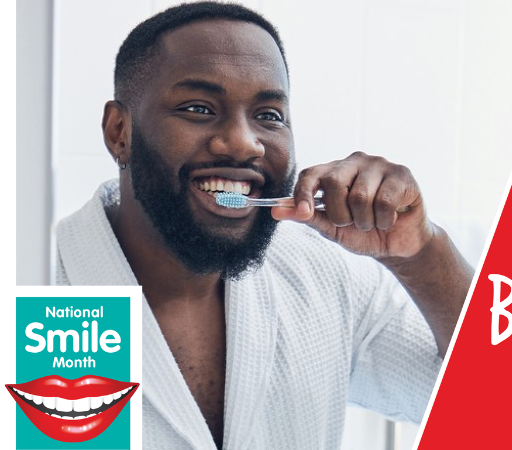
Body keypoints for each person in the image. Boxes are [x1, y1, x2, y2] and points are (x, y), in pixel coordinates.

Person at [54, 2, 472, 449]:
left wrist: (421, 254)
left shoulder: (326, 278)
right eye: (198, 108)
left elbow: (502, 398)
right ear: (120, 131)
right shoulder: (34, 287)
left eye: (269, 116)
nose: (242, 142)